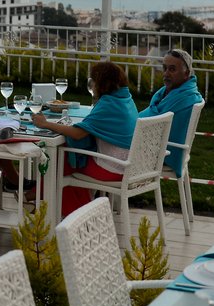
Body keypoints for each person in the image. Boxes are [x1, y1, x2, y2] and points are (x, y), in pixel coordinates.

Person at [31, 61, 140, 216]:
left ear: (101, 83)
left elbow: (77, 133)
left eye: (93, 81)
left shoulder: (109, 103)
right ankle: (38, 198)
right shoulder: (125, 98)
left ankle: (76, 215)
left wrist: (45, 123)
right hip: (128, 165)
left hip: (114, 168)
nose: (92, 85)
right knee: (66, 159)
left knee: (63, 162)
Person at [139, 48, 204, 178]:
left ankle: (110, 194)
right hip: (157, 145)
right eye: (165, 68)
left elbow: (152, 121)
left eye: (172, 69)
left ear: (186, 73)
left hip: (166, 153)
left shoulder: (186, 98)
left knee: (108, 145)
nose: (166, 74)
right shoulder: (173, 92)